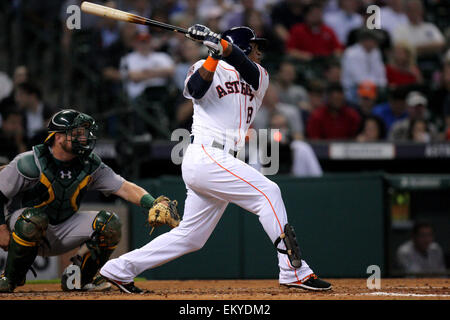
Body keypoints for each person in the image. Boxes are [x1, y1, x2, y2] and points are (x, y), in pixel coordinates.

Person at [99, 25, 332, 293]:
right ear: (245, 45)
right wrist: (213, 53)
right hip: (206, 154)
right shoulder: (204, 64)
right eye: (255, 45)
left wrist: (222, 46)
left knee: (192, 237)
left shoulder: (260, 75)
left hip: (222, 159)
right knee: (268, 192)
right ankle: (294, 271)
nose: (259, 51)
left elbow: (243, 65)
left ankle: (118, 269)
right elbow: (196, 90)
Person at [0, 109, 176, 293]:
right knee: (33, 219)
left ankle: (78, 279)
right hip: (23, 228)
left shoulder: (90, 164)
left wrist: (153, 203)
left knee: (109, 223)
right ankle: (9, 278)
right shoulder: (29, 162)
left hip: (62, 228)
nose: (84, 138)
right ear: (58, 137)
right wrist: (1, 228)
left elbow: (124, 187)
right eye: (77, 134)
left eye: (84, 133)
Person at [341, 29, 387, 104]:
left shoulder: (375, 52)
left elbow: (381, 74)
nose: (376, 43)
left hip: (372, 87)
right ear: (365, 40)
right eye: (374, 41)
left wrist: (382, 86)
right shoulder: (351, 54)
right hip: (353, 88)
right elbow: (359, 79)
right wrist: (376, 85)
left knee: (385, 92)